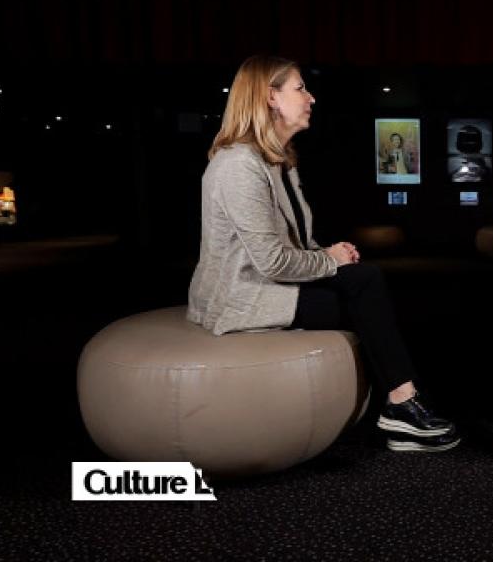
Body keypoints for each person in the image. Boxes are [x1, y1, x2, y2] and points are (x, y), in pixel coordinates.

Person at [188, 55, 458, 453]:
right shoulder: (238, 166)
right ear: (270, 97)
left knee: (365, 281)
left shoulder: (279, 161)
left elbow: (296, 242)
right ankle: (402, 404)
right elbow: (273, 261)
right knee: (366, 289)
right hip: (239, 298)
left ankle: (402, 401)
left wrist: (331, 254)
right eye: (300, 88)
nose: (311, 97)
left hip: (269, 283)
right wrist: (330, 259)